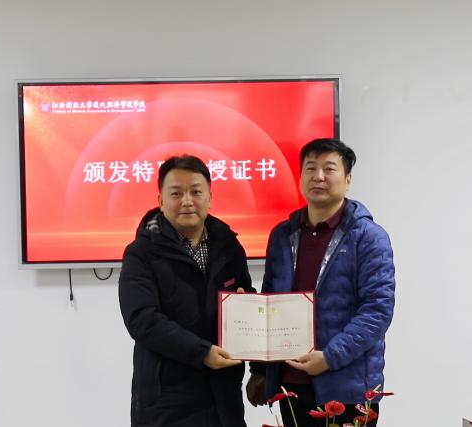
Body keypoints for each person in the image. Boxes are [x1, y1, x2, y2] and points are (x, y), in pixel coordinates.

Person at [246, 138, 395, 427]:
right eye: (311, 168)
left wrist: (329, 357)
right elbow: (270, 302)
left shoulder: (369, 237)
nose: (319, 176)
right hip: (291, 384)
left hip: (347, 387)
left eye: (329, 168)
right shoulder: (282, 235)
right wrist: (261, 369)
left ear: (348, 180)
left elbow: (377, 311)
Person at [119, 155, 255, 427]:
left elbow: (246, 295)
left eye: (195, 191)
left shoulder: (229, 247)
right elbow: (142, 320)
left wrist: (246, 305)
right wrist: (201, 352)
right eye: (176, 193)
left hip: (223, 396)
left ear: (210, 197)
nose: (187, 201)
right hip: (167, 399)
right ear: (160, 200)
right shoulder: (142, 252)